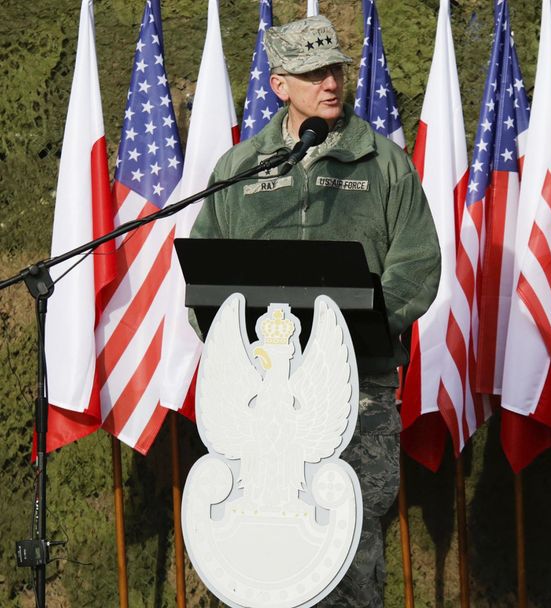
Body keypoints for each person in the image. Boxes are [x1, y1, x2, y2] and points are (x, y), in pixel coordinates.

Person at [189, 15, 441, 608]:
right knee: (259, 561)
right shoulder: (239, 170)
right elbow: (206, 288)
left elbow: (417, 268)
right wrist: (247, 355)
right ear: (280, 85)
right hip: (258, 405)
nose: (330, 83)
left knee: (347, 557)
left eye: (336, 70)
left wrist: (359, 331)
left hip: (359, 397)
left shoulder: (383, 165)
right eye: (313, 74)